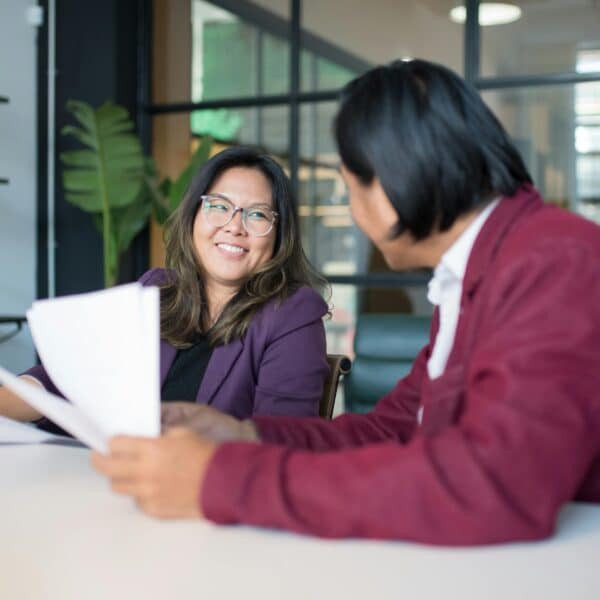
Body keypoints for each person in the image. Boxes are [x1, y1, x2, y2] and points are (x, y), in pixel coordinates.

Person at [92, 59, 600, 545]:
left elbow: (494, 488)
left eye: (351, 188)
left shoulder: (555, 259)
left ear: (396, 180)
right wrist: (244, 435)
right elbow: (394, 430)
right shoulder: (475, 272)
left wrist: (218, 479)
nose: (355, 214)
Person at [0, 147, 330, 423]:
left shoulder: (292, 313)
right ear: (193, 216)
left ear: (279, 234)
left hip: (207, 493)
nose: (234, 227)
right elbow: (66, 378)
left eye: (257, 215)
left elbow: (283, 437)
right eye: (218, 206)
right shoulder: (157, 292)